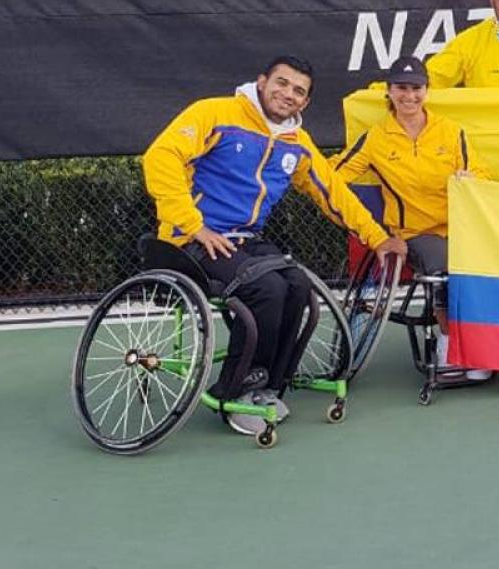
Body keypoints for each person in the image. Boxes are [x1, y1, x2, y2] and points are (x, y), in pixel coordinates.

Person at [143, 55, 407, 434]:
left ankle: (268, 385)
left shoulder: (295, 142)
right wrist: (193, 224)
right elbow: (161, 158)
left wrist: (378, 238)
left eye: (299, 91)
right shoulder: (215, 113)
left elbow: (332, 192)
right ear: (262, 81)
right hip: (189, 240)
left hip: (244, 242)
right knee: (264, 289)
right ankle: (235, 391)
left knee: (296, 286)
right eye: (282, 83)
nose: (288, 94)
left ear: (306, 103)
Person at [332, 55, 491, 380]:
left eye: (416, 88)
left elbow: (482, 173)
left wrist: (471, 177)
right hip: (414, 232)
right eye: (401, 88)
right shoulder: (375, 137)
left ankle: (490, 343)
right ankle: (451, 348)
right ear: (389, 92)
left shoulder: (450, 131)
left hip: (461, 227)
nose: (409, 96)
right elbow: (333, 175)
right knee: (444, 268)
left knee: (492, 266)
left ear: (427, 91)